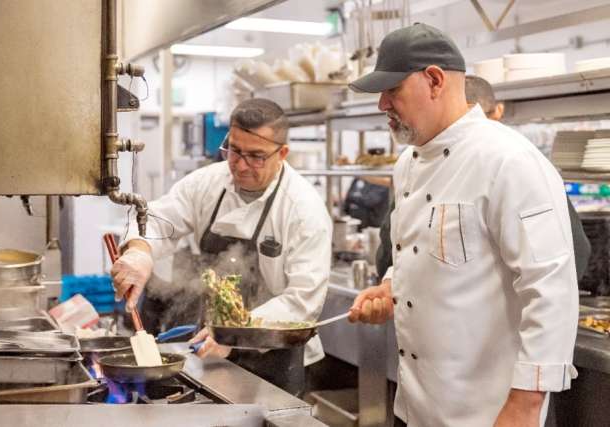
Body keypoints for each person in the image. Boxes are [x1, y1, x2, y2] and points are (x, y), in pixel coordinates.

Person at [348, 23, 578, 427]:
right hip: (417, 405)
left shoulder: (509, 161)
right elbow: (415, 251)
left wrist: (524, 406)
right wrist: (390, 287)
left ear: (434, 80)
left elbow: (552, 289)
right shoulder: (407, 164)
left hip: (490, 412)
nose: (382, 104)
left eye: (392, 90)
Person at [112, 98, 332, 396]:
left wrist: (237, 333)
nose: (240, 166)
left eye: (256, 156)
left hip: (275, 357)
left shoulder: (303, 210)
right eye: (235, 151)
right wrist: (139, 251)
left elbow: (303, 301)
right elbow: (158, 220)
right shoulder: (208, 183)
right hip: (211, 345)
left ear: (282, 153)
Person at [376, 75, 591, 282]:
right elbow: (575, 255)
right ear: (498, 112)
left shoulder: (515, 163)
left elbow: (555, 274)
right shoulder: (414, 165)